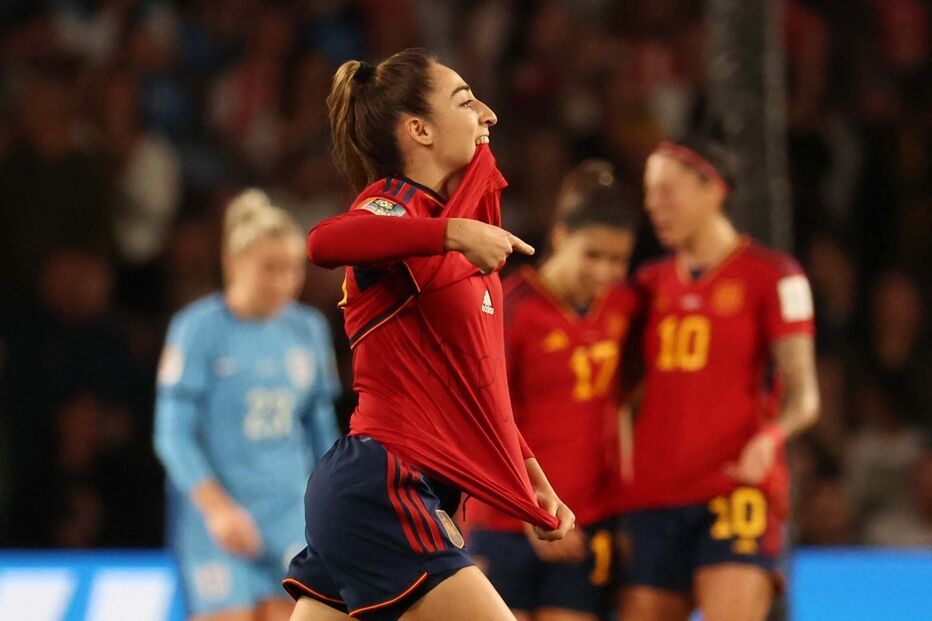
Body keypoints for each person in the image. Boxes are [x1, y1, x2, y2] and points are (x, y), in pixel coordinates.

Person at [281, 48, 575, 621]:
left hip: (382, 491)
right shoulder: (396, 208)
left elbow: (477, 388)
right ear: (418, 129)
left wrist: (532, 477)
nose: (488, 114)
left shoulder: (450, 231)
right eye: (465, 101)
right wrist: (451, 233)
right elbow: (322, 242)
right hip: (385, 486)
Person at [617, 136, 821, 621]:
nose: (652, 206)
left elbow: (805, 397)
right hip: (652, 496)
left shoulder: (774, 276)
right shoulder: (646, 285)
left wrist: (770, 439)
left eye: (666, 191)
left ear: (713, 188)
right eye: (648, 193)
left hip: (734, 490)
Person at [154, 189, 341, 621]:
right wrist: (216, 508)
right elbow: (172, 433)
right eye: (269, 269)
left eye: (291, 269)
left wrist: (330, 507)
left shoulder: (307, 330)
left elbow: (320, 430)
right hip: (216, 518)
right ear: (234, 264)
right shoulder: (197, 329)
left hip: (288, 513)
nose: (282, 282)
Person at [467, 161, 640, 621]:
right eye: (593, 255)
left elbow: (621, 409)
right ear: (561, 235)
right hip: (504, 521)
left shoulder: (625, 308)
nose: (605, 271)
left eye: (618, 259)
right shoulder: (511, 306)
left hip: (585, 521)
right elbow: (483, 415)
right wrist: (530, 511)